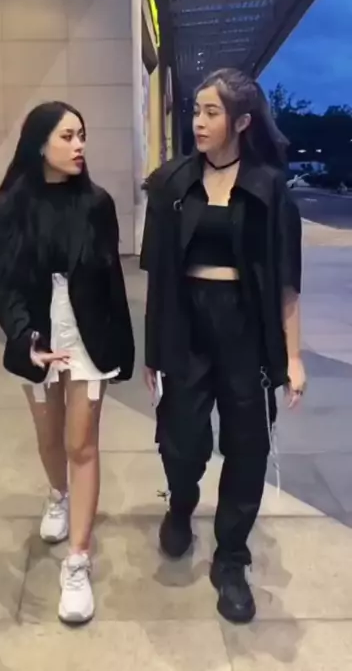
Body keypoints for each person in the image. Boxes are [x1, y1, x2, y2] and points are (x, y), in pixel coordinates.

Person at [140, 68, 305, 625]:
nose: (199, 122)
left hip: (245, 331)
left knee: (247, 447)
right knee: (181, 439)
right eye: (196, 111)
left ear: (241, 121)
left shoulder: (269, 189)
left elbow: (286, 282)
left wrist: (294, 356)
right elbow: (158, 276)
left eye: (211, 112)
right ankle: (181, 503)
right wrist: (153, 350)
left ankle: (231, 558)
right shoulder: (171, 183)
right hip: (186, 325)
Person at [0, 101, 134, 625]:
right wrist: (24, 337)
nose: (79, 145)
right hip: (38, 336)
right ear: (39, 142)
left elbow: (112, 281)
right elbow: (2, 284)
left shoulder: (97, 204)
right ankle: (58, 495)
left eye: (82, 135)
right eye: (68, 136)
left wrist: (123, 350)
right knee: (49, 439)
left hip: (89, 336)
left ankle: (77, 561)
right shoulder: (6, 208)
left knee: (81, 443)